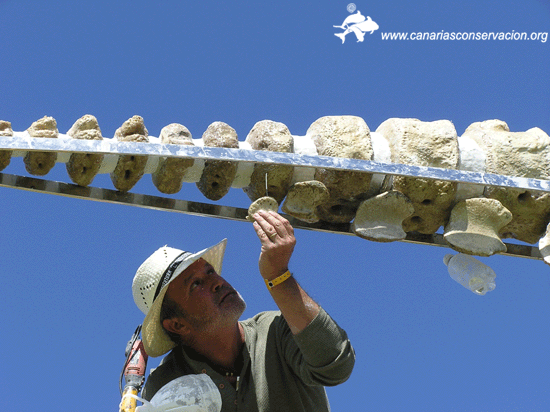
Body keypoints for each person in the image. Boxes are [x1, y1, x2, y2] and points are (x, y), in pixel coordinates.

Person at [132, 210, 355, 411]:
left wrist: (278, 276)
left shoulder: (275, 331)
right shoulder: (166, 383)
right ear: (177, 325)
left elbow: (336, 366)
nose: (216, 282)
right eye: (196, 284)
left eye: (210, 272)